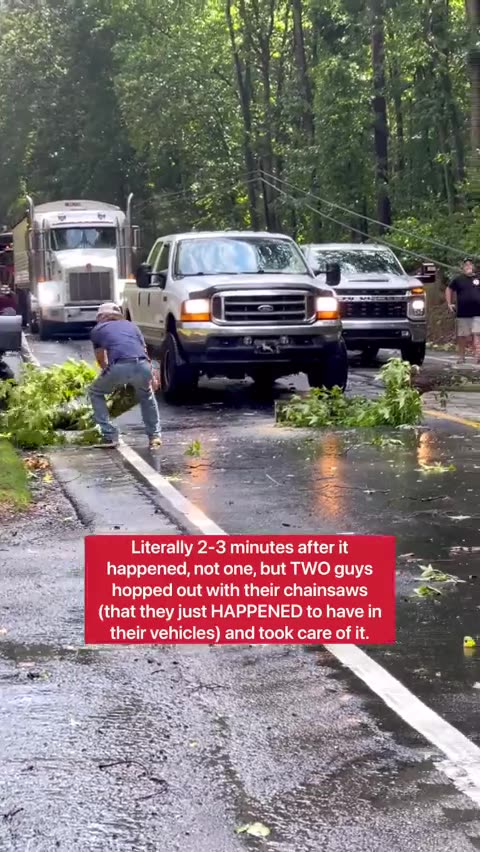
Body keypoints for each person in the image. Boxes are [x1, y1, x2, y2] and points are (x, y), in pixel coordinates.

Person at [88, 302, 162, 449]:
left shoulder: (97, 330)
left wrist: (111, 378)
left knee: (95, 392)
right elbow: (144, 352)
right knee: (147, 395)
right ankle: (154, 436)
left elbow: (101, 359)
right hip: (143, 365)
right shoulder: (132, 326)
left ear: (101, 317)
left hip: (120, 365)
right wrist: (153, 376)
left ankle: (109, 435)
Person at [446, 257, 480, 364]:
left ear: (473, 266)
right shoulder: (458, 279)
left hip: (478, 312)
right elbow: (449, 289)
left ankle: (478, 356)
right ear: (463, 267)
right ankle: (461, 357)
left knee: (477, 334)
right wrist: (449, 303)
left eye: (470, 264)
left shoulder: (478, 278)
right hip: (463, 312)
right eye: (466, 265)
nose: (468, 266)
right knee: (462, 336)